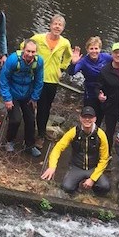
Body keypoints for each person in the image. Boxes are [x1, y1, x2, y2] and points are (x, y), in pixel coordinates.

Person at [40, 106, 110, 196]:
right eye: (85, 117)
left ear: (95, 119)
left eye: (90, 117)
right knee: (66, 187)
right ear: (80, 118)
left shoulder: (101, 135)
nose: (87, 120)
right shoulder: (73, 132)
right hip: (77, 167)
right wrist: (52, 167)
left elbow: (104, 159)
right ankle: (76, 187)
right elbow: (58, 148)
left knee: (105, 187)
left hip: (93, 168)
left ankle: (92, 190)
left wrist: (92, 179)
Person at [29, 14, 72, 146]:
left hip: (52, 80)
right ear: (50, 25)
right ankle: (34, 133)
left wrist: (62, 68)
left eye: (60, 25)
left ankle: (41, 132)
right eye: (55, 24)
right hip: (37, 77)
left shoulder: (65, 43)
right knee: (34, 105)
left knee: (46, 108)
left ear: (63, 28)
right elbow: (24, 46)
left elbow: (68, 57)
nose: (57, 26)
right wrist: (30, 62)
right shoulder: (38, 38)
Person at [0, 39, 44, 157]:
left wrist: (34, 97)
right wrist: (7, 98)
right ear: (23, 49)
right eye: (28, 51)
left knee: (30, 119)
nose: (30, 54)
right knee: (15, 119)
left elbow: (39, 80)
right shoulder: (13, 60)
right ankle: (10, 141)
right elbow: (3, 79)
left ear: (36, 52)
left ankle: (29, 145)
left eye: (33, 52)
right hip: (13, 93)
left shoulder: (38, 62)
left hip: (27, 94)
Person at [67, 36, 112, 126]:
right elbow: (72, 73)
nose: (94, 51)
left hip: (103, 92)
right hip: (90, 94)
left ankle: (96, 135)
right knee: (88, 117)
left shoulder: (106, 57)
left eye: (96, 48)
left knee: (100, 118)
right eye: (91, 48)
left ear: (100, 49)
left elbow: (117, 63)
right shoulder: (83, 61)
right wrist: (73, 63)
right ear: (87, 49)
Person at [97, 42, 119, 150]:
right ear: (112, 54)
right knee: (109, 132)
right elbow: (98, 86)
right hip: (110, 107)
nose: (118, 55)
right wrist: (99, 95)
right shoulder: (105, 71)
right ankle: (107, 154)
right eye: (116, 53)